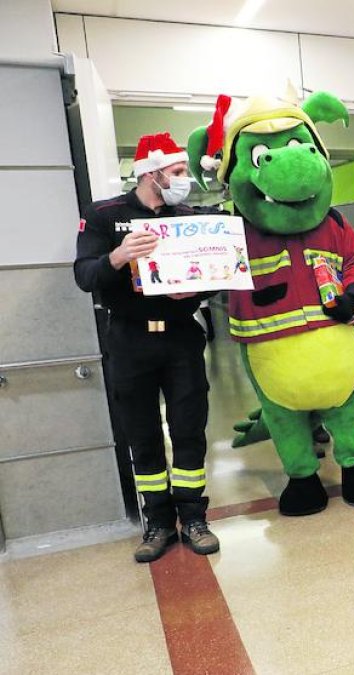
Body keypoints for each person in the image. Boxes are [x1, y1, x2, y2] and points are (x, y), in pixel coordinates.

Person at [74, 132, 220, 562]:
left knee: (189, 429)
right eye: (177, 172)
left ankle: (194, 517)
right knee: (142, 434)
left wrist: (194, 291)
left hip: (181, 338)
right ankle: (157, 523)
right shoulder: (104, 215)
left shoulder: (189, 217)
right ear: (151, 174)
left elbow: (214, 273)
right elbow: (84, 276)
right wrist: (118, 257)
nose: (184, 179)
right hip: (130, 339)